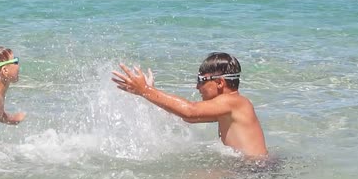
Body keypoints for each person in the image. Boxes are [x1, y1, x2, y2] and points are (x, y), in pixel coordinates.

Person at [111, 52, 267, 158]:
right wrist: (151, 93)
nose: (197, 87)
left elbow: (190, 112)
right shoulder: (230, 107)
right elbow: (186, 117)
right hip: (253, 167)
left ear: (219, 82)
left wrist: (145, 90)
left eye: (201, 80)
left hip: (253, 169)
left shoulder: (234, 102)